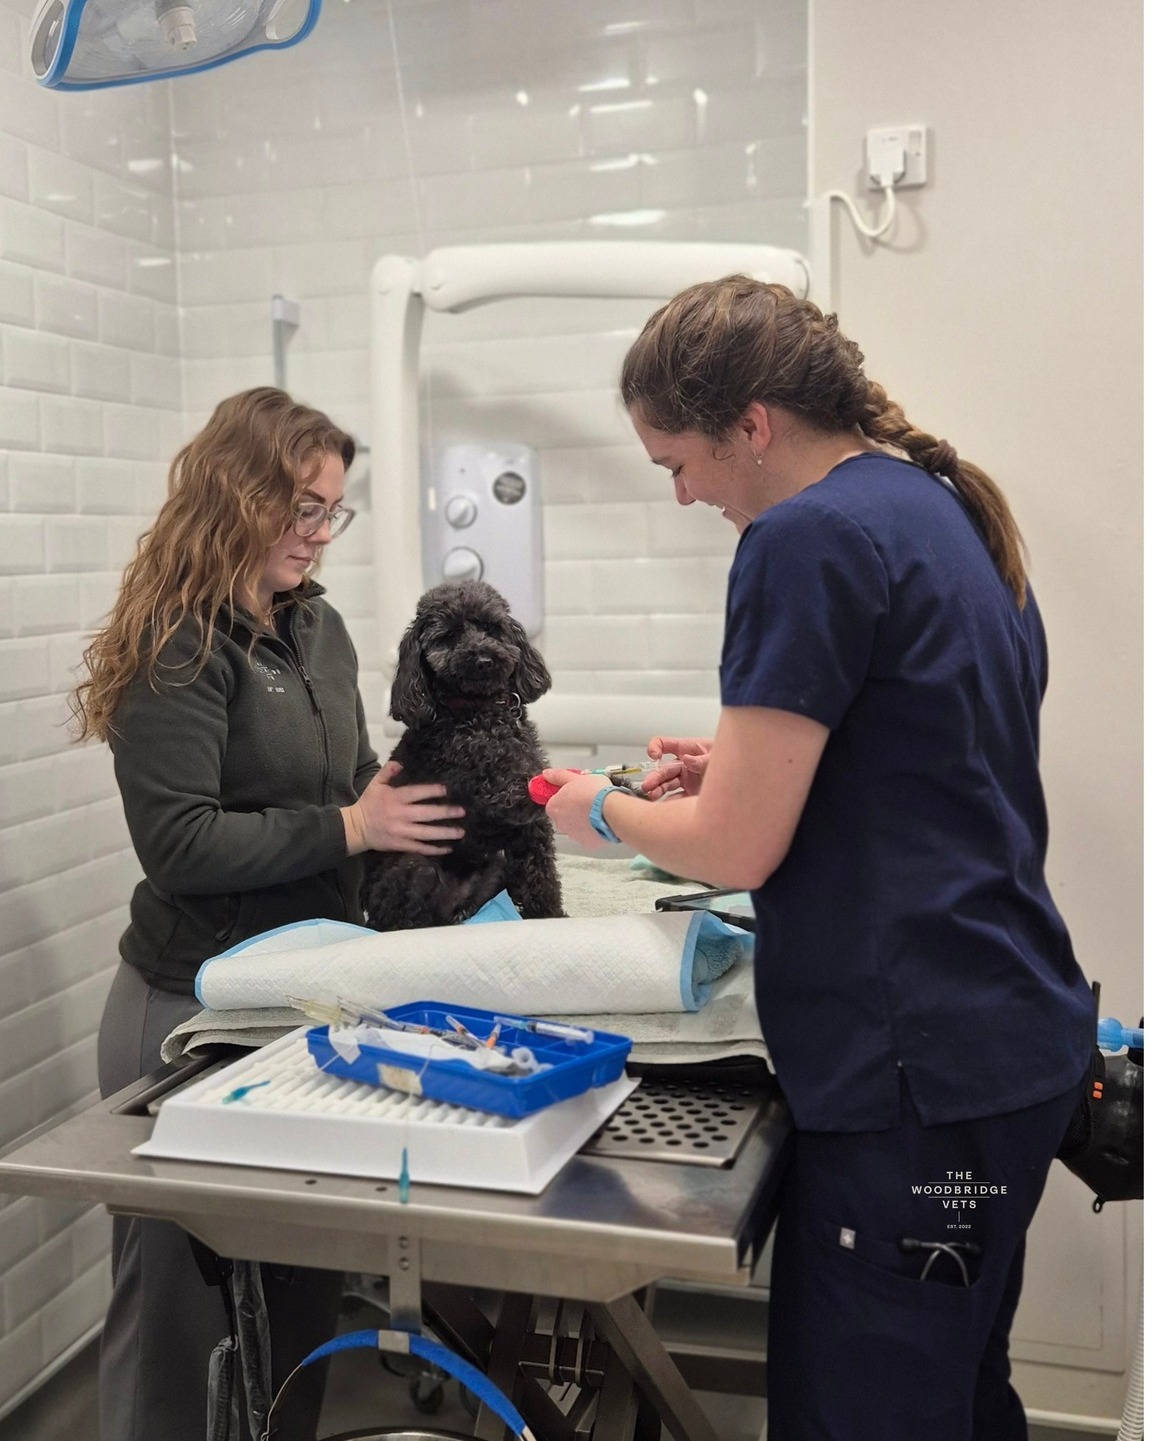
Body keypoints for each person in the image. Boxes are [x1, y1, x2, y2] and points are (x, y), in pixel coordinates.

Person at [542, 279, 1094, 1441]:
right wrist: (751, 763)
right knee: (956, 1398)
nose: (682, 493)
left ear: (751, 424)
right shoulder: (937, 504)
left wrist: (600, 808)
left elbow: (734, 847)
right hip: (1009, 1049)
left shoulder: (803, 539)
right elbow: (938, 752)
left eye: (677, 463)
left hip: (916, 1085)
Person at [71, 387, 466, 1441]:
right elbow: (182, 844)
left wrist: (454, 810)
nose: (318, 531)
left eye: (332, 509)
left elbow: (358, 779)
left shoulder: (316, 626)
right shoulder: (177, 642)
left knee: (298, 1291)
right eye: (300, 506)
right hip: (187, 1010)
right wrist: (352, 827)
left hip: (302, 1001)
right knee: (177, 1312)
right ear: (235, 493)